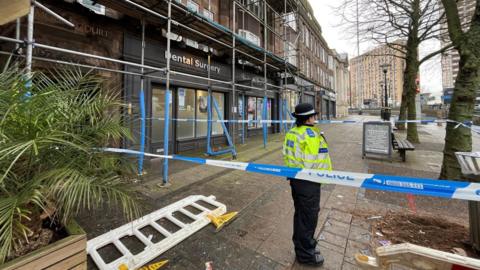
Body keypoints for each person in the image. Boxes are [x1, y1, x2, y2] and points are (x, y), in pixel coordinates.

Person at [283, 103, 332, 266]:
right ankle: (306, 254)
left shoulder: (292, 132)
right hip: (309, 182)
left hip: (295, 180)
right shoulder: (310, 135)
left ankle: (302, 248)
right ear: (308, 118)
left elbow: (286, 155)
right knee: (308, 218)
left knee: (300, 215)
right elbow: (313, 161)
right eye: (314, 115)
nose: (316, 118)